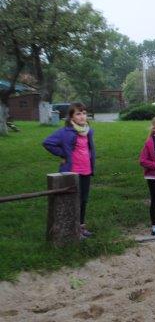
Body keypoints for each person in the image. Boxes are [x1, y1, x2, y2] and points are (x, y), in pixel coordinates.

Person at [42, 102, 96, 238]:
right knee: (73, 200)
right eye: (78, 114)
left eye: (84, 113)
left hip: (86, 171)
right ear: (71, 117)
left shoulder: (88, 131)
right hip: (72, 172)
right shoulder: (65, 132)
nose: (82, 116)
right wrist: (64, 154)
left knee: (83, 200)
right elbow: (47, 142)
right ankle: (72, 229)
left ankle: (81, 227)